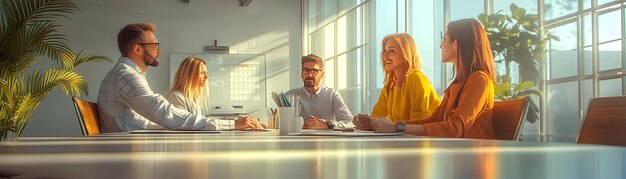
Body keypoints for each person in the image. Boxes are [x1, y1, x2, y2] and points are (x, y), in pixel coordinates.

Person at [98, 23, 260, 132]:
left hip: (134, 146)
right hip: (128, 152)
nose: (159, 51)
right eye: (154, 46)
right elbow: (164, 113)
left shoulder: (125, 75)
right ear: (137, 49)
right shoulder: (126, 76)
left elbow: (153, 119)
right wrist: (230, 124)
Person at [370, 18, 496, 139]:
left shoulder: (479, 80)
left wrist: (397, 127)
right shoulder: (457, 84)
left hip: (472, 156)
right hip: (456, 152)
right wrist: (381, 125)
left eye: (444, 39)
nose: (441, 46)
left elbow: (455, 127)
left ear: (455, 44)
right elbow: (432, 121)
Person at [355, 33, 440, 125]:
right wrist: (365, 121)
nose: (385, 55)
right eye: (384, 50)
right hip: (405, 137)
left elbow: (418, 123)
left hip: (431, 137)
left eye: (391, 50)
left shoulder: (416, 78)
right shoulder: (390, 85)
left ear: (405, 54)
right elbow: (376, 117)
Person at [285, 54, 354, 129]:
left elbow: (350, 122)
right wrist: (299, 126)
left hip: (327, 140)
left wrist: (327, 125)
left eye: (315, 71)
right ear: (301, 74)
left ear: (322, 74)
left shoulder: (332, 95)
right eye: (306, 70)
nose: (310, 75)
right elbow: (278, 125)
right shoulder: (289, 96)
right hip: (296, 140)